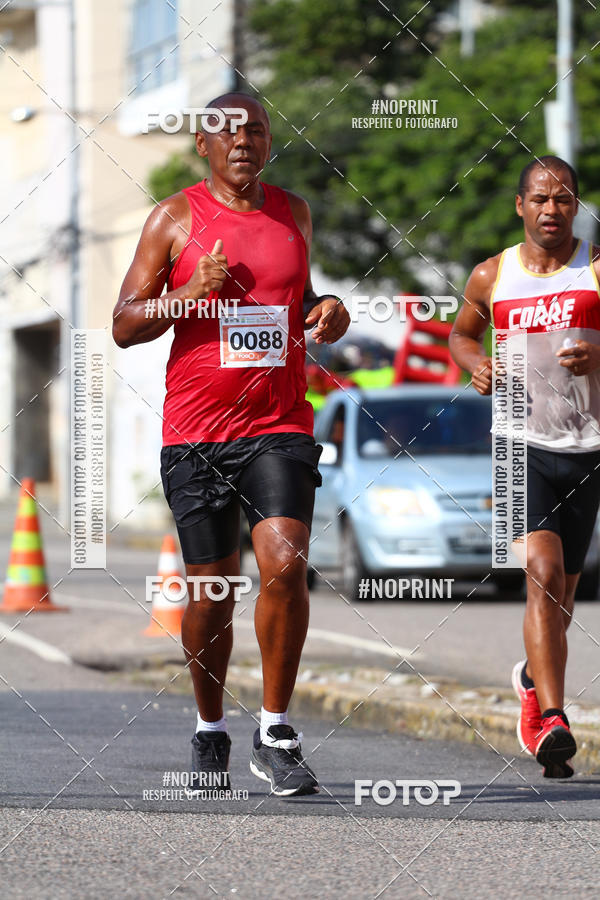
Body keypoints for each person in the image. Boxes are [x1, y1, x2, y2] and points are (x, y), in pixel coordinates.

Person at [112, 92, 349, 795]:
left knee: (284, 561)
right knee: (211, 593)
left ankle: (275, 729)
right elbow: (124, 322)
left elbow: (297, 298)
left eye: (255, 130)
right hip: (196, 435)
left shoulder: (293, 212)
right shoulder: (173, 219)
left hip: (278, 424)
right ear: (203, 146)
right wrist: (189, 294)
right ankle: (210, 727)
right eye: (227, 132)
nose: (243, 140)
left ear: (268, 142)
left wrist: (325, 311)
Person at [449, 155, 600, 778]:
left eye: (563, 200)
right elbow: (460, 333)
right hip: (518, 444)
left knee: (562, 594)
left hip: (588, 445)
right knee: (542, 573)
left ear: (575, 206)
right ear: (521, 205)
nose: (551, 210)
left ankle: (533, 685)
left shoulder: (595, 268)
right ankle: (557, 719)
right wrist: (474, 363)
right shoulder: (493, 274)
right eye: (540, 198)